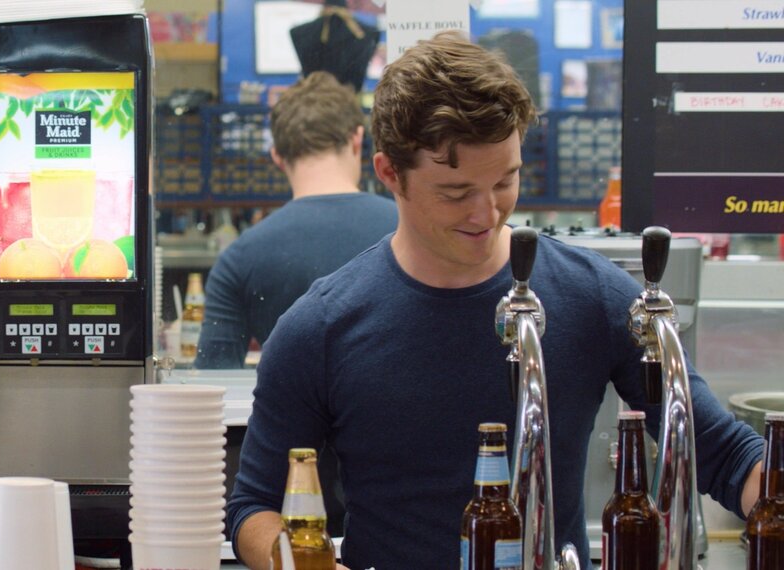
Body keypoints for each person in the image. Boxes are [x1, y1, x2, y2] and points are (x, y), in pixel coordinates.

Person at [226, 32, 766, 569]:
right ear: (390, 172)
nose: (487, 213)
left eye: (506, 182)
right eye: (456, 193)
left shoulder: (592, 296)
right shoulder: (321, 328)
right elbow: (254, 508)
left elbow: (725, 453)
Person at [194, 71, 397, 370]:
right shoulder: (407, 229)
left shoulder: (239, 258)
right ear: (357, 139)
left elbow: (214, 379)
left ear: (277, 156)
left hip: (293, 401)